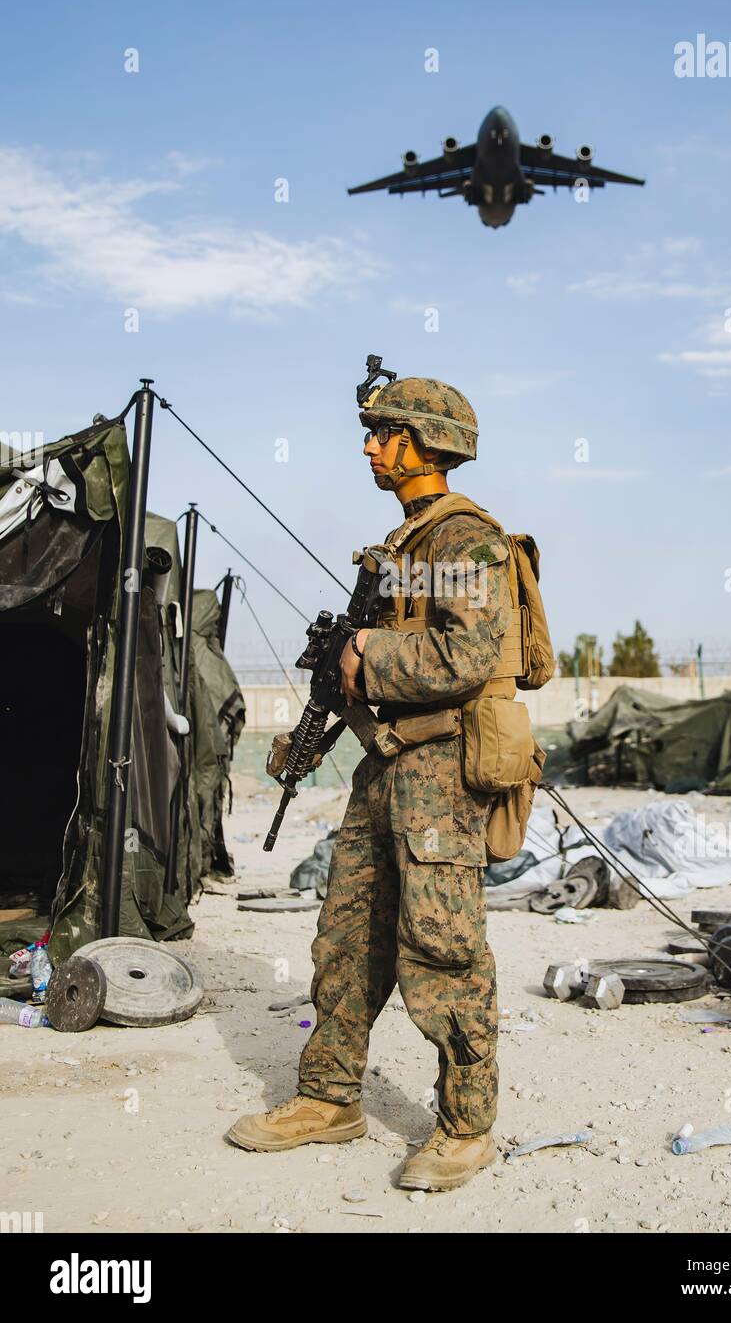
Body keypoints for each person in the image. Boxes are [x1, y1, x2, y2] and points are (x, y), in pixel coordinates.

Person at [229, 376, 521, 1191]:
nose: (368, 447)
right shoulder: (400, 548)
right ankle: (329, 1099)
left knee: (443, 948)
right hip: (385, 765)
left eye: (381, 433)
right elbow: (368, 665)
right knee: (347, 938)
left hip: (440, 774)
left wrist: (368, 654)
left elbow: (464, 658)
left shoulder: (462, 542)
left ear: (422, 443)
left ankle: (465, 1126)